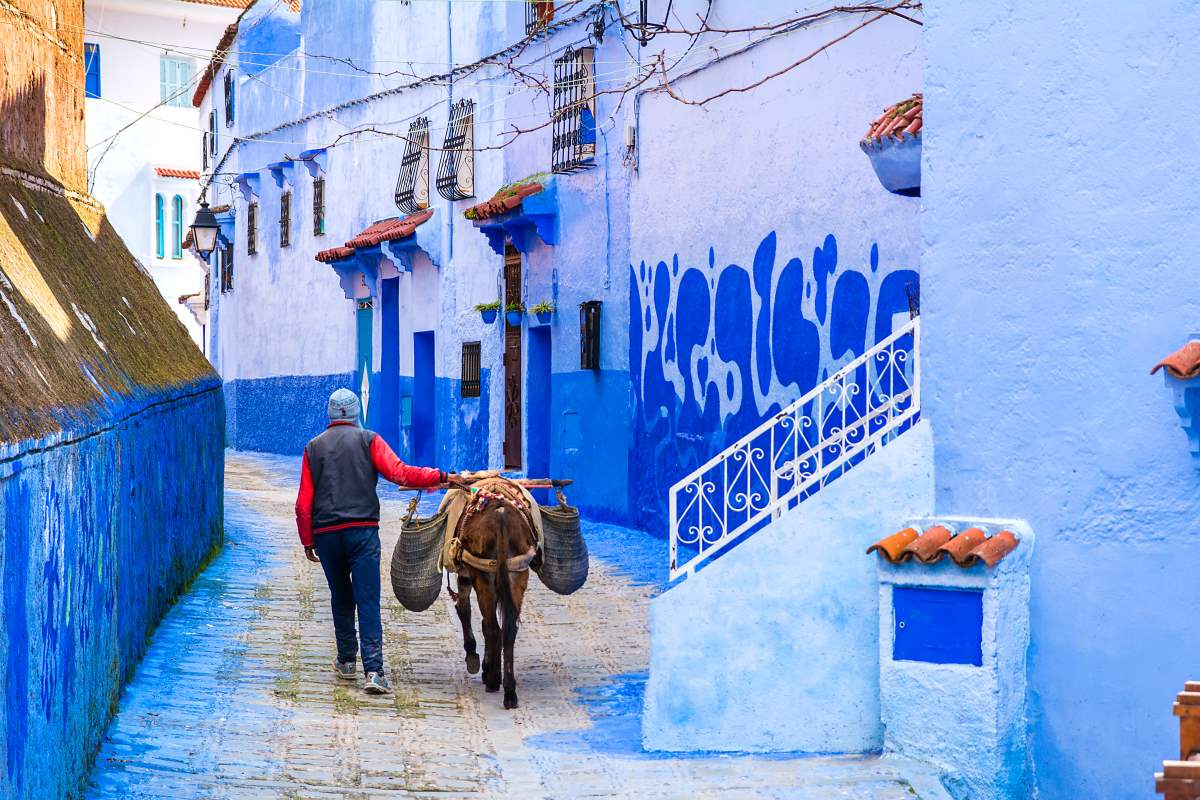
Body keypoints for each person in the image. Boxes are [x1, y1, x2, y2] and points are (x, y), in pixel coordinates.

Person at [295, 388, 455, 694]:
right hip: (363, 533)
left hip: (327, 535)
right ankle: (374, 671)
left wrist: (307, 540)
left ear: (330, 414)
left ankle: (346, 661)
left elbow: (303, 504)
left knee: (341, 596)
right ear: (356, 414)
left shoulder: (313, 448)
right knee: (367, 599)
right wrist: (440, 476)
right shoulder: (369, 440)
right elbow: (400, 473)